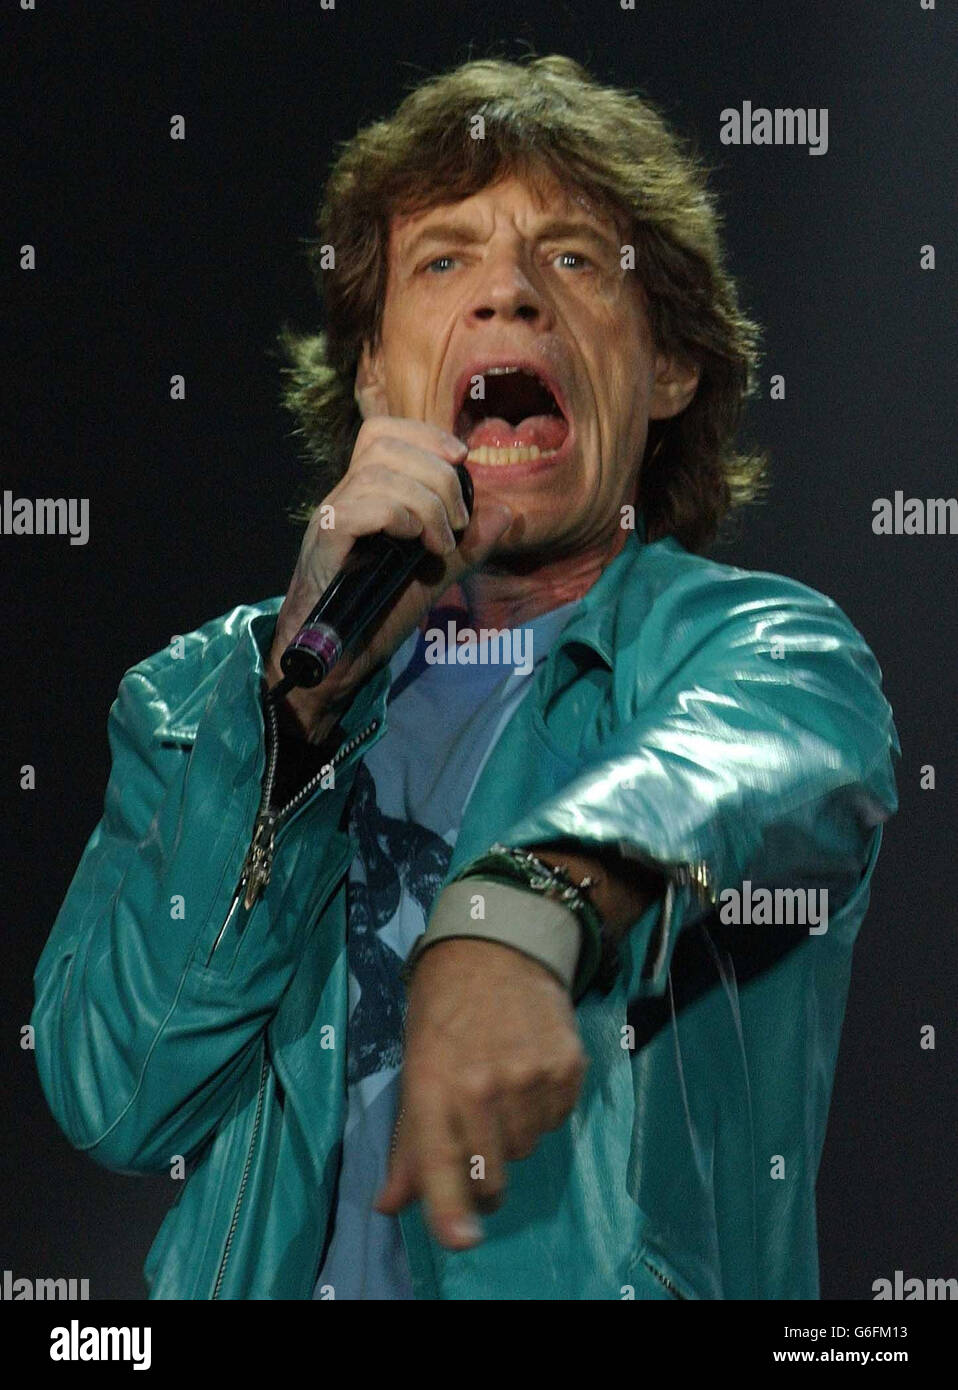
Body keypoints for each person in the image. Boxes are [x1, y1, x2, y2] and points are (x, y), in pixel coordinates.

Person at [32, 55, 899, 1300]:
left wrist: (520, 913)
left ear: (666, 371)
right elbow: (117, 1098)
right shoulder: (196, 700)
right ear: (374, 376)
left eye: (576, 262)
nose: (508, 294)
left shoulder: (759, 650)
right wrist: (289, 727)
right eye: (444, 262)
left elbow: (747, 770)